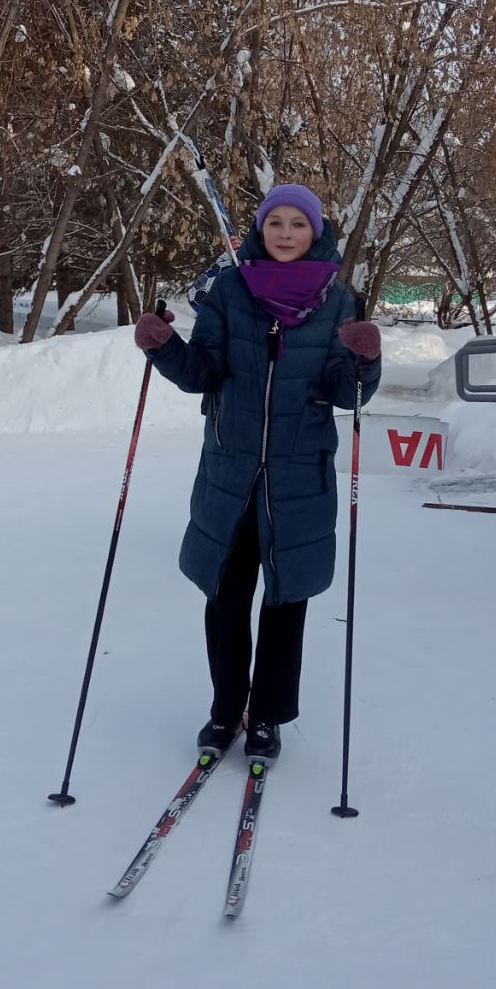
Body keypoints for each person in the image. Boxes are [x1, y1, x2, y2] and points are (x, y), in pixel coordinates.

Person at [134, 183, 382, 764]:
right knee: (225, 596)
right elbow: (204, 371)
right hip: (230, 473)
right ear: (260, 229)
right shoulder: (230, 289)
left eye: (298, 223)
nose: (286, 233)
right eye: (276, 222)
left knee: (285, 600)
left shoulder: (338, 300)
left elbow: (346, 393)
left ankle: (267, 715)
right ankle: (226, 711)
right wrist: (165, 348)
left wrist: (365, 361)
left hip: (299, 478)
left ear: (315, 231)